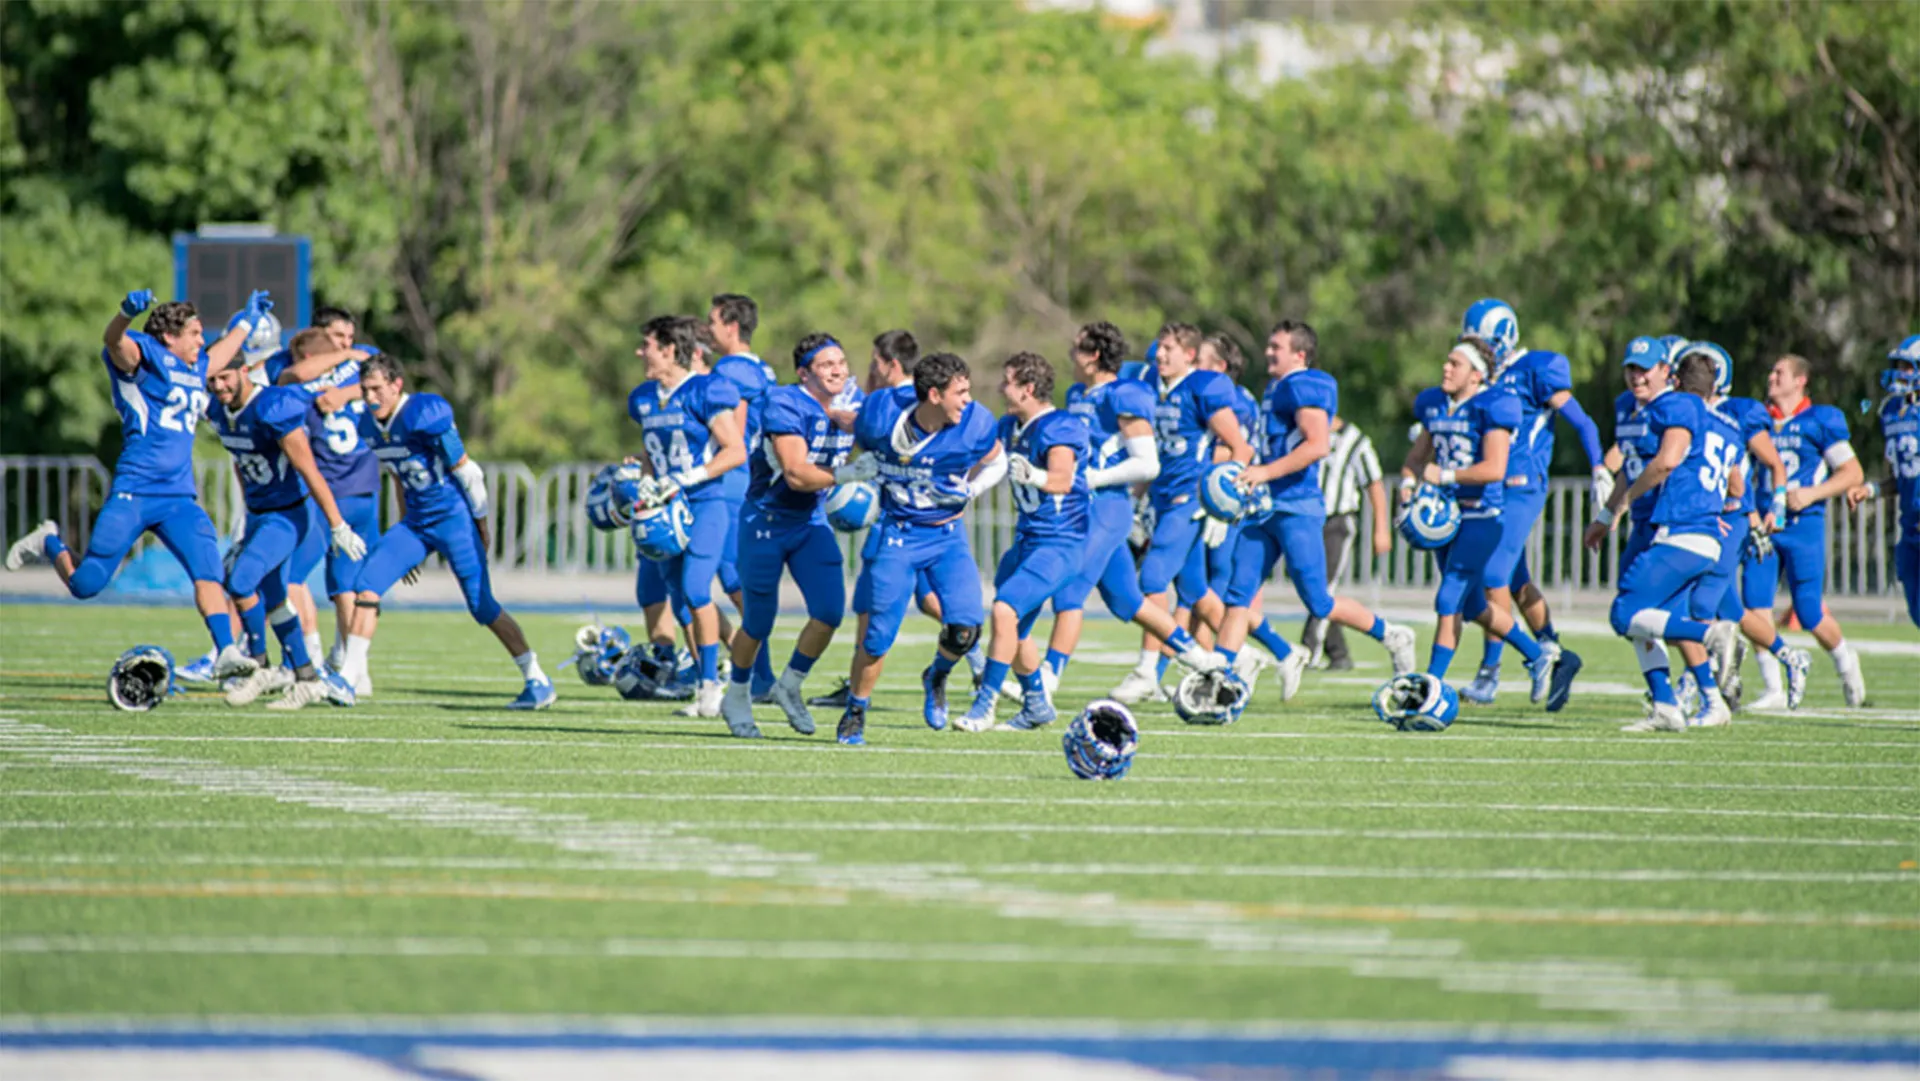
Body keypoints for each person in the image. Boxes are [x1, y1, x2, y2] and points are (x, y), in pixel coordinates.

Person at [6, 289, 273, 680]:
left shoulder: (197, 368)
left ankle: (227, 650)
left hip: (178, 496)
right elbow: (114, 341)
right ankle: (49, 539)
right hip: (136, 490)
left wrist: (246, 321)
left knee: (208, 570)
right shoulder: (146, 357)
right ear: (170, 336)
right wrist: (124, 314)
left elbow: (222, 351)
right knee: (87, 584)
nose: (202, 340)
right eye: (196, 332)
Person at [333, 354, 554, 709]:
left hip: (454, 520)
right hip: (416, 524)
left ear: (396, 385)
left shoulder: (424, 414)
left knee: (482, 607)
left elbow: (470, 474)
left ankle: (537, 678)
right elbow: (398, 477)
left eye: (376, 389)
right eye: (365, 390)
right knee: (366, 583)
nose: (370, 397)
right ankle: (348, 678)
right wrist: (404, 528)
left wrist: (481, 525)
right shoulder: (369, 426)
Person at [1216, 321, 1417, 699]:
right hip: (1264, 508)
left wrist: (1264, 471)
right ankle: (1221, 678)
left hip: (1296, 507)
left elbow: (1318, 445)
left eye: (1277, 346)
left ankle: (1391, 634)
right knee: (1237, 595)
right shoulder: (1276, 386)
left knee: (1318, 601)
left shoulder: (1307, 384)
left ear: (1300, 354)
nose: (1269, 352)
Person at [837, 353, 1004, 746]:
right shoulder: (882, 412)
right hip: (897, 535)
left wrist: (971, 489)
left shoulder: (975, 424)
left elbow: (998, 463)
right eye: (959, 392)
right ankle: (856, 709)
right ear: (933, 394)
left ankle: (937, 675)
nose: (968, 400)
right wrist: (848, 474)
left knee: (965, 628)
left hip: (947, 536)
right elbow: (855, 436)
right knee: (876, 638)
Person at [1401, 335, 1568, 706]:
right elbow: (1416, 458)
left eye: (1455, 363)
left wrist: (1443, 476)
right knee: (1475, 605)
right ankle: (1539, 653)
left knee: (1449, 596)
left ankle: (1429, 686)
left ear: (1476, 375)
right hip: (1450, 516)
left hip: (1482, 515)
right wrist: (1409, 484)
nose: (1446, 368)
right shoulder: (1436, 405)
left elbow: (1495, 468)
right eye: (1446, 361)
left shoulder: (1494, 405)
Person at [1586, 345, 1745, 731]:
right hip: (1693, 529)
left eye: (1645, 370)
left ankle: (1712, 635)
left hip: (1674, 528)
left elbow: (1666, 461)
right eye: (1631, 370)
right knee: (1655, 621)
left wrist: (1625, 500)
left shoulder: (1674, 407)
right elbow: (1735, 487)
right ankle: (1681, 704)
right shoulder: (1722, 424)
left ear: (1669, 374)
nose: (1636, 378)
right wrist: (1609, 514)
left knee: (1626, 615)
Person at [203, 333, 365, 709]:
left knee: (240, 580)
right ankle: (307, 678)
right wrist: (247, 514)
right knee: (276, 600)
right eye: (212, 380)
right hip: (260, 514)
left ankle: (259, 665)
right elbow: (242, 464)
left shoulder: (271, 407)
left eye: (225, 376)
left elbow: (309, 469)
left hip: (289, 514)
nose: (219, 385)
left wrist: (337, 524)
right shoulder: (216, 410)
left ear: (244, 371)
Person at [1455, 300, 1606, 704]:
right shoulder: (1484, 380)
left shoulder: (1534, 370)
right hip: (1492, 490)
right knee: (1517, 583)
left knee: (1492, 575)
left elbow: (1583, 421)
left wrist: (1599, 469)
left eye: (1479, 341)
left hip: (1522, 486)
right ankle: (1554, 650)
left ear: (1502, 338)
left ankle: (1491, 674)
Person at [720, 333, 863, 738]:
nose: (837, 369)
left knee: (830, 611)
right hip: (766, 520)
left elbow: (891, 428)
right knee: (758, 621)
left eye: (841, 361)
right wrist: (852, 474)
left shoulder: (857, 400)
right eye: (825, 364)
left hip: (810, 521)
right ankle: (737, 694)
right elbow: (798, 474)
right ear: (804, 374)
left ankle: (790, 685)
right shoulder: (784, 402)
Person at [1110, 323, 1250, 703]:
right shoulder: (1154, 388)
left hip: (1190, 499)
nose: (1160, 355)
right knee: (1194, 591)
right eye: (1160, 348)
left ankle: (1147, 672)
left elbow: (1240, 448)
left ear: (1189, 354)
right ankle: (1244, 656)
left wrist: (1226, 504)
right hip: (1161, 498)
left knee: (1152, 579)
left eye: (1169, 349)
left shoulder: (1202, 388)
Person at [953, 353, 1091, 731]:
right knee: (1015, 630)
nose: (1000, 388)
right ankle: (1036, 704)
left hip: (1060, 543)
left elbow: (1062, 478)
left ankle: (985, 705)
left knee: (1003, 610)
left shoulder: (1060, 425)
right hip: (1028, 540)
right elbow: (977, 459)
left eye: (1007, 381)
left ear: (1028, 389)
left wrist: (1035, 476)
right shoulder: (1008, 425)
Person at [260, 306, 386, 694]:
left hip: (331, 493)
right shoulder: (357, 367)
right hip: (365, 485)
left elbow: (292, 378)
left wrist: (342, 385)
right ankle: (352, 668)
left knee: (289, 577)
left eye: (349, 338)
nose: (345, 345)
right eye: (337, 338)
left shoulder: (312, 376)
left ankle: (310, 659)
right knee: (346, 585)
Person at [628, 314, 749, 717]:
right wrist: (646, 480)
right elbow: (650, 451)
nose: (640, 352)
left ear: (668, 349)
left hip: (704, 502)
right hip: (666, 507)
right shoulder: (645, 397)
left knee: (698, 590)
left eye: (647, 345)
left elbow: (735, 450)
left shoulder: (705, 390)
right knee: (680, 604)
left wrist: (689, 476)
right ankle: (703, 685)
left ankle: (714, 686)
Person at [1738, 353, 1869, 707]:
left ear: (1800, 380)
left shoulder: (1820, 420)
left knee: (1809, 610)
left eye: (1779, 372)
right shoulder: (1758, 419)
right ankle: (1773, 688)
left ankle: (1846, 662)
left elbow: (1852, 473)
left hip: (1803, 525)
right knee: (1755, 605)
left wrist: (1812, 493)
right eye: (1771, 370)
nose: (1771, 377)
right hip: (1765, 526)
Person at [1670, 340, 1786, 713]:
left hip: (1728, 518)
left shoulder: (1736, 414)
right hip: (1702, 516)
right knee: (1728, 608)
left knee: (1700, 604)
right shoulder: (1690, 415)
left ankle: (1696, 682)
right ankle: (1777, 662)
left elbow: (1761, 468)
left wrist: (1771, 509)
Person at [706, 293, 780, 698]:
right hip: (749, 480)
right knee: (726, 580)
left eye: (713, 322)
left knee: (724, 580)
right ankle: (750, 669)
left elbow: (732, 433)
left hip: (730, 480)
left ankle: (757, 673)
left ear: (731, 327)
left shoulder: (730, 368)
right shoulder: (761, 368)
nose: (708, 329)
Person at [1301, 415, 1390, 670]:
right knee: (1312, 588)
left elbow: (1374, 484)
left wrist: (1381, 529)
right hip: (1307, 521)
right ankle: (1338, 653)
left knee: (1324, 588)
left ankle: (1309, 652)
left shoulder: (1355, 440)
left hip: (1336, 522)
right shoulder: (1303, 432)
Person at [1847, 336, 1920, 629]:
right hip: (1910, 524)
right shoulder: (1891, 411)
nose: (1901, 372)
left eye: (1908, 366)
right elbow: (1901, 475)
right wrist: (1872, 489)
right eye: (1899, 365)